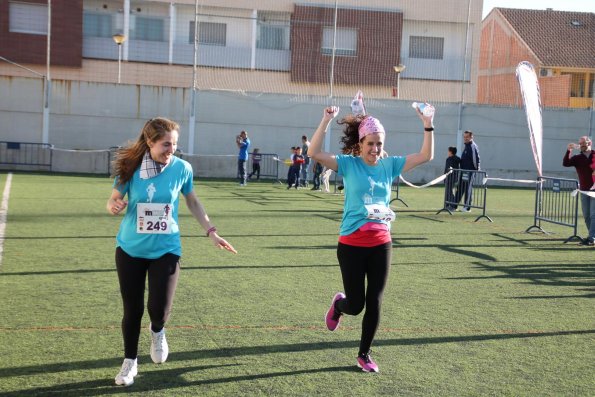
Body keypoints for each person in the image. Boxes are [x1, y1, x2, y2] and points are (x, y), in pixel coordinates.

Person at [107, 117, 237, 387]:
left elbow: (192, 200)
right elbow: (113, 199)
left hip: (166, 249)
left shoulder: (182, 169)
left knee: (159, 309)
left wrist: (211, 231)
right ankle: (130, 363)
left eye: (175, 144)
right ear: (150, 142)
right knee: (132, 310)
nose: (171, 149)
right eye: (166, 144)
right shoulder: (131, 168)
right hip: (130, 249)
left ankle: (158, 331)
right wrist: (114, 205)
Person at [310, 104, 434, 372]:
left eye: (379, 144)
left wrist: (428, 123)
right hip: (351, 245)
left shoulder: (390, 165)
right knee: (356, 305)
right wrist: (326, 121)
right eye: (370, 144)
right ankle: (339, 306)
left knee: (375, 301)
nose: (375, 149)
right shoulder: (349, 164)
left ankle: (364, 355)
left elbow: (426, 155)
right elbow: (314, 152)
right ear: (361, 143)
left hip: (381, 243)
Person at [563, 136, 595, 245]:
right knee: (586, 215)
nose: (581, 145)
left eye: (583, 143)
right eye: (580, 143)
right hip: (583, 190)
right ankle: (592, 236)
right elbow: (566, 163)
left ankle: (592, 238)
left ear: (589, 143)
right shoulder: (577, 157)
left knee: (593, 214)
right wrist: (569, 150)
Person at [453, 130, 480, 211]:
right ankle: (454, 206)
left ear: (471, 137)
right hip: (463, 171)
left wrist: (476, 169)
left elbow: (476, 159)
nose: (465, 138)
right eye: (464, 137)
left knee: (468, 189)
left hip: (470, 172)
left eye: (467, 137)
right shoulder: (466, 146)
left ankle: (467, 207)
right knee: (460, 188)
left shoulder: (472, 146)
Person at [444, 146, 461, 210]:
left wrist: (445, 177)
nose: (447, 152)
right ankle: (448, 205)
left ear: (450, 152)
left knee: (449, 192)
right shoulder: (458, 159)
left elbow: (447, 169)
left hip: (450, 178)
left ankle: (452, 205)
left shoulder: (449, 159)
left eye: (448, 151)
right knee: (449, 191)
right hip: (455, 178)